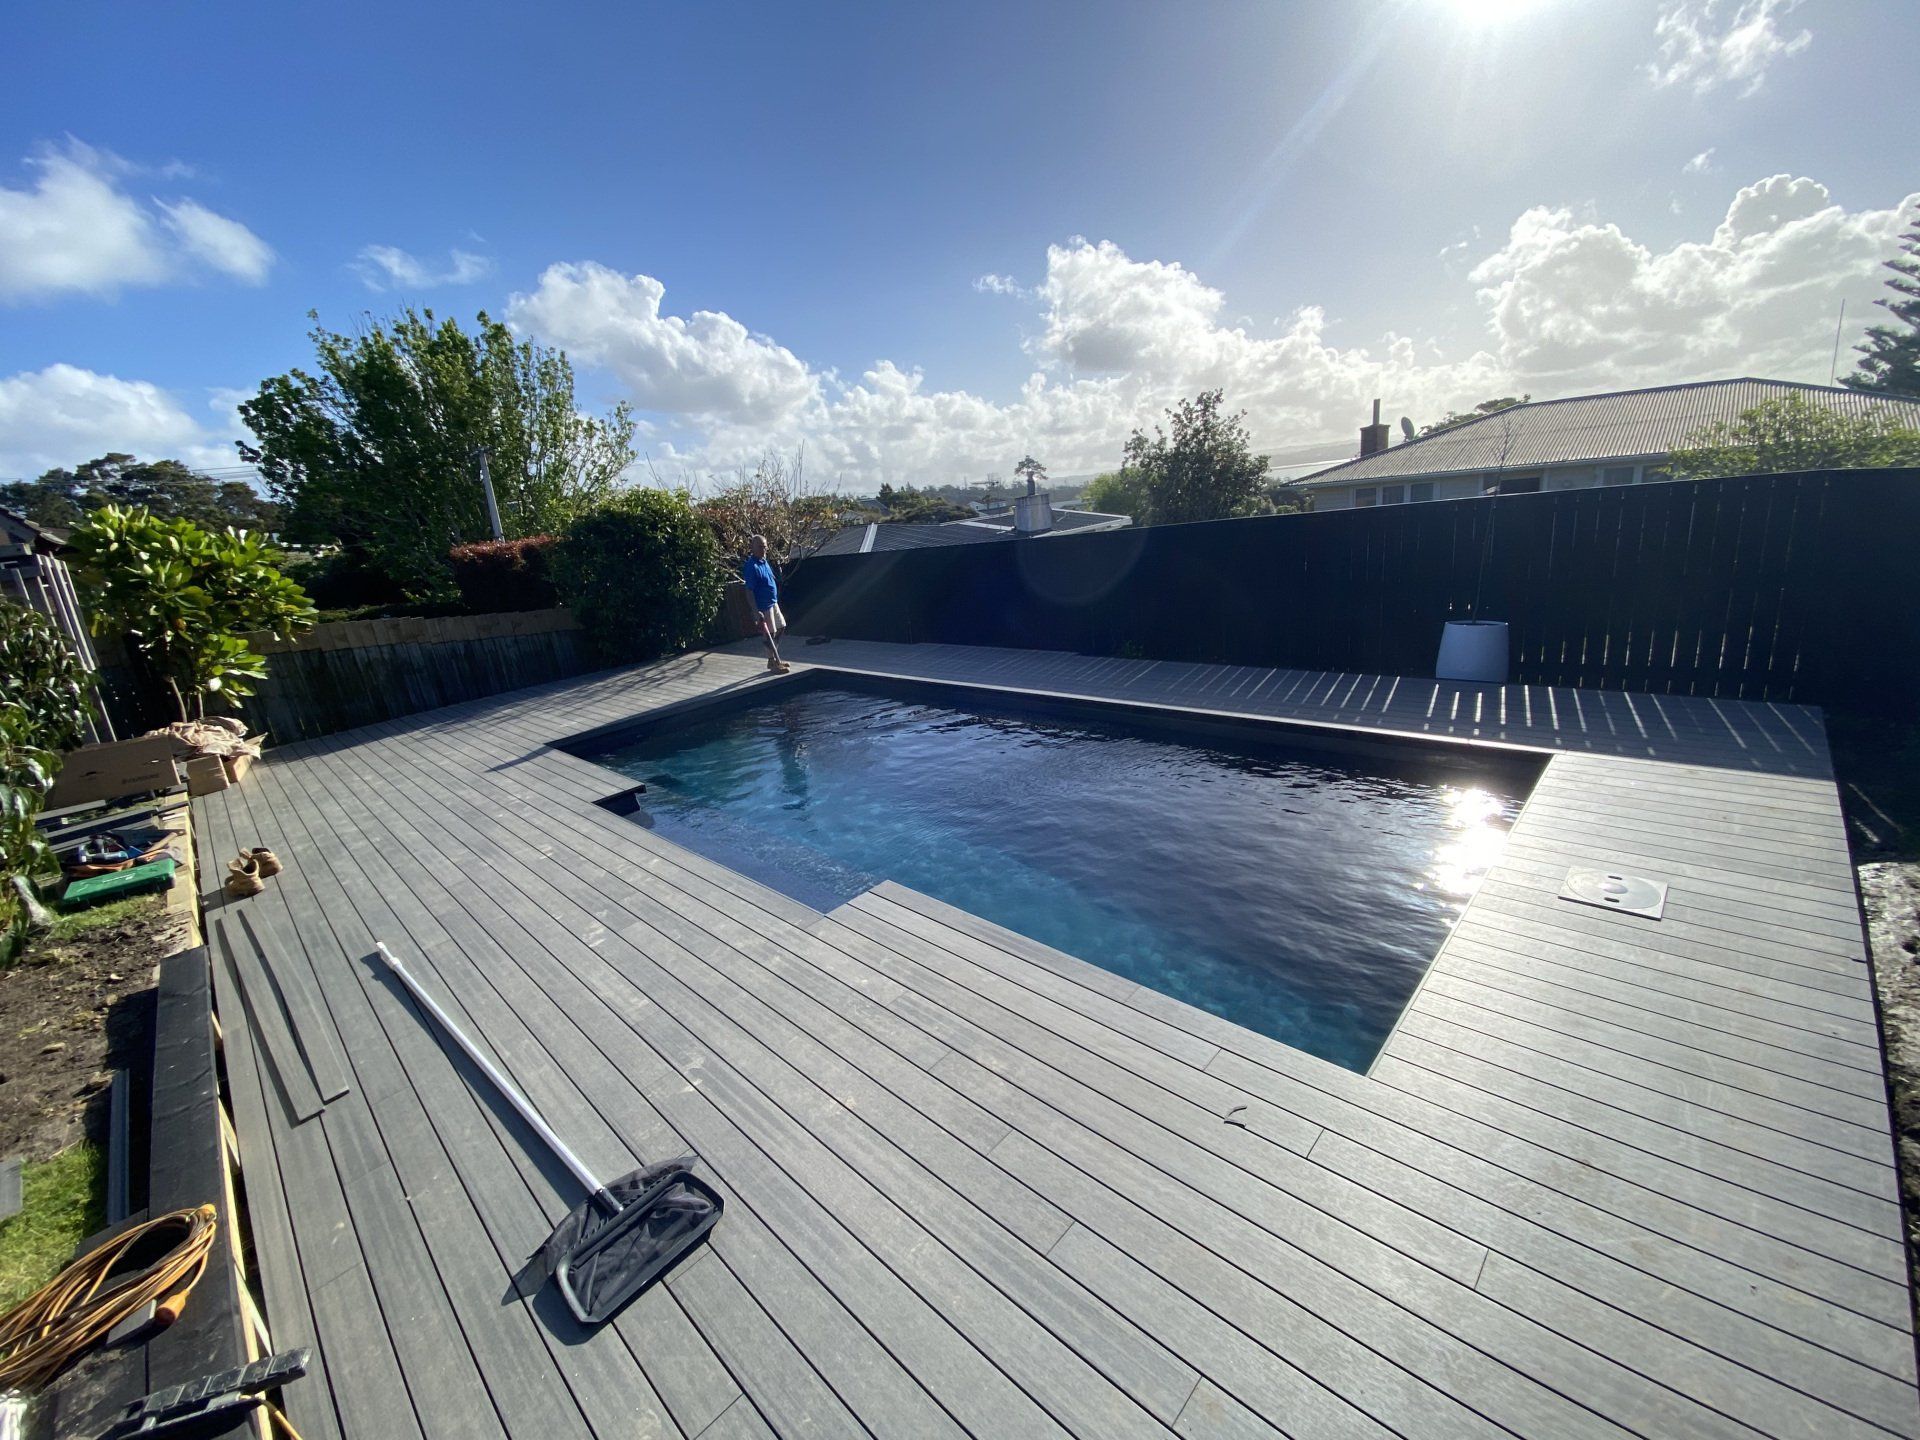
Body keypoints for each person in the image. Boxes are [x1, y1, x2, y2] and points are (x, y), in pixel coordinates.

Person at [742, 535, 790, 673]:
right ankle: (773, 662)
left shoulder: (764, 562)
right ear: (752, 548)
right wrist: (756, 611)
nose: (763, 549)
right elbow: (749, 591)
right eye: (760, 547)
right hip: (763, 605)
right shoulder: (752, 566)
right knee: (771, 632)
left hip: (773, 602)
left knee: (781, 627)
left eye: (765, 546)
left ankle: (774, 658)